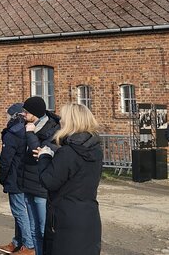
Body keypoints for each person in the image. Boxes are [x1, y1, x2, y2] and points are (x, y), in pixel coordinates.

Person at [36, 103, 102, 255]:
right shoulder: (94, 148)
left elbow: (48, 181)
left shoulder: (68, 152)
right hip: (88, 214)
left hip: (66, 217)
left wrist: (44, 157)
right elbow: (75, 173)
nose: (60, 122)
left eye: (63, 119)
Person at [19, 97, 60, 255]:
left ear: (34, 113)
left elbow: (38, 152)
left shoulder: (52, 129)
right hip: (28, 182)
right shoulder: (27, 125)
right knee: (34, 229)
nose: (23, 114)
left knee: (44, 229)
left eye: (26, 111)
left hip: (41, 185)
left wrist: (30, 133)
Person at [0, 103, 35, 255]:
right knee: (24, 211)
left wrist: (2, 177)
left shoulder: (12, 133)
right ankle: (19, 242)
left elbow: (6, 160)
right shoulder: (27, 130)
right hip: (26, 176)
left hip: (15, 176)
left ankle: (28, 244)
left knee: (19, 211)